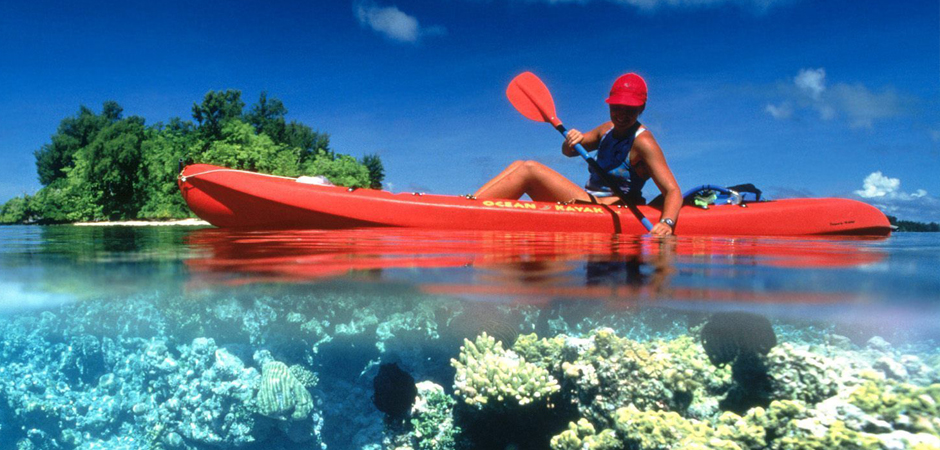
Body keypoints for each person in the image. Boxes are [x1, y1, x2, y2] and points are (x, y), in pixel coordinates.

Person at [474, 73, 682, 236]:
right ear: (610, 104)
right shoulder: (606, 130)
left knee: (529, 170)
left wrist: (667, 222)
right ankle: (470, 203)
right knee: (519, 164)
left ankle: (469, 210)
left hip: (611, 208)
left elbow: (672, 190)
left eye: (630, 109)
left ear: (641, 108)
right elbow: (568, 152)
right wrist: (571, 140)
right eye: (617, 107)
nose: (622, 114)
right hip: (589, 202)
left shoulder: (644, 142)